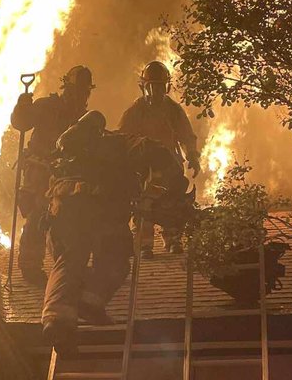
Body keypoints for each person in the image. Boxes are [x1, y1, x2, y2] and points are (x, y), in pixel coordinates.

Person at [40, 111, 190, 354]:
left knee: (69, 260)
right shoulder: (117, 141)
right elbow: (156, 150)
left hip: (60, 212)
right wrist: (175, 183)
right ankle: (91, 301)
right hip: (101, 208)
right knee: (116, 260)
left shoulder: (65, 151)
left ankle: (57, 320)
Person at [10, 65, 94, 286]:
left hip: (66, 175)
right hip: (40, 171)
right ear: (67, 89)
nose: (81, 97)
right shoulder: (47, 106)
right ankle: (30, 266)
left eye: (85, 92)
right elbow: (21, 123)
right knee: (38, 215)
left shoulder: (84, 118)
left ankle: (67, 266)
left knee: (68, 220)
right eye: (77, 91)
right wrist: (22, 106)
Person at [118, 60, 201, 257]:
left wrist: (192, 155)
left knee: (173, 201)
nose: (155, 91)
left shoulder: (173, 110)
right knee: (144, 203)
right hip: (144, 164)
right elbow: (122, 137)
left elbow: (186, 135)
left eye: (160, 86)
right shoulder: (135, 110)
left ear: (167, 87)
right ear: (144, 87)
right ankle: (144, 243)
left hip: (171, 163)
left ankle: (173, 239)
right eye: (152, 86)